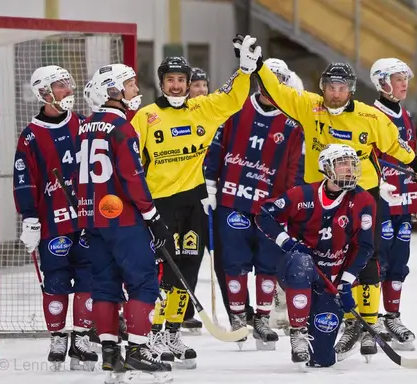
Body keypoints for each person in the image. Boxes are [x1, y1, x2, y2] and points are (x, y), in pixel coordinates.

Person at [234, 34, 417, 360]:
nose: (335, 93)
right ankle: (314, 322)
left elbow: (394, 145)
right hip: (318, 197)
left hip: (361, 194)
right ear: (323, 86)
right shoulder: (309, 105)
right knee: (316, 261)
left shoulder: (370, 117)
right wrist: (257, 66)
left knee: (367, 258)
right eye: (331, 86)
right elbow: (279, 91)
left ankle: (366, 326)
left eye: (342, 88)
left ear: (351, 90)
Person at [129, 37, 261, 367]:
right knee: (161, 274)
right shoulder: (145, 117)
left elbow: (231, 99)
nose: (176, 85)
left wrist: (244, 71)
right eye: (170, 80)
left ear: (189, 84)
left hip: (193, 204)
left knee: (186, 271)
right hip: (159, 206)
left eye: (181, 80)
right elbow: (127, 165)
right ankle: (153, 332)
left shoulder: (201, 109)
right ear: (161, 83)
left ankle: (172, 330)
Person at [75, 63, 173, 381]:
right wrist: (153, 216)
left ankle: (108, 354)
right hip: (123, 220)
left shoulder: (85, 126)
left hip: (93, 219)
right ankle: (137, 351)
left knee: (104, 287)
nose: (135, 90)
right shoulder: (122, 127)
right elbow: (132, 176)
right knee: (143, 281)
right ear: (113, 91)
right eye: (130, 85)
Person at [202, 58, 304, 350]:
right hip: (232, 198)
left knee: (267, 263)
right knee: (234, 261)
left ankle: (261, 317)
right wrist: (210, 183)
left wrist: (291, 201)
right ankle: (237, 317)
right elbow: (216, 146)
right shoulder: (235, 108)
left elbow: (295, 167)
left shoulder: (292, 122)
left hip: (270, 206)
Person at [255, 144, 376, 367]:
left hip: (331, 278)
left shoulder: (364, 201)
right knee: (302, 262)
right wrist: (288, 242)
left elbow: (365, 247)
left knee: (321, 360)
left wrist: (346, 283)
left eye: (352, 164)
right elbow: (263, 214)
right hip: (298, 269)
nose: (349, 169)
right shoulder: (303, 194)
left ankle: (344, 331)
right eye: (342, 164)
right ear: (327, 168)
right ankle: (298, 332)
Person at [13, 65, 97, 371]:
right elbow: (25, 180)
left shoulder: (86, 125)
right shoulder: (31, 136)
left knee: (89, 279)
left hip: (86, 221)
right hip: (53, 224)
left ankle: (82, 337)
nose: (68, 91)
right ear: (44, 93)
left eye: (68, 84)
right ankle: (58, 335)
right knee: (57, 281)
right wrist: (29, 218)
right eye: (61, 86)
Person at [369, 58, 417, 350]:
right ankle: (371, 316)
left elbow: (411, 159)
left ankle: (392, 315)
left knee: (400, 258)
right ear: (382, 82)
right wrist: (377, 185)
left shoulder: (407, 115)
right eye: (397, 77)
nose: (404, 83)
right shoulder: (370, 115)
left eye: (405, 78)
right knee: (378, 258)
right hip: (380, 199)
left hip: (403, 198)